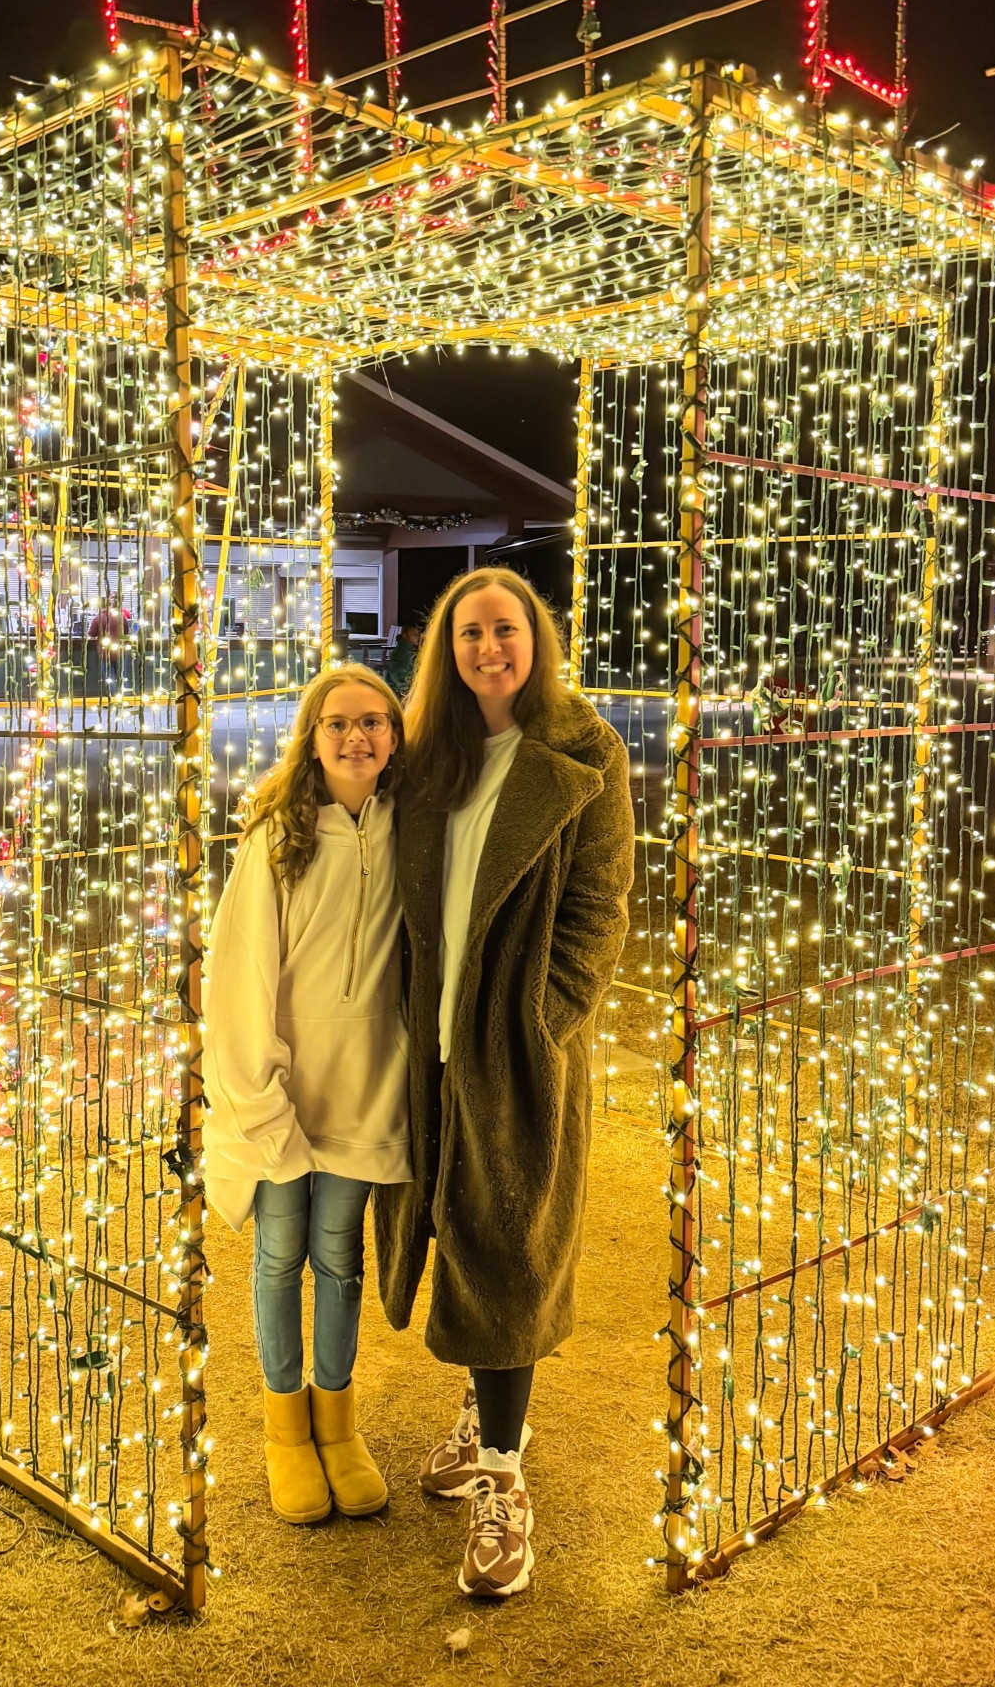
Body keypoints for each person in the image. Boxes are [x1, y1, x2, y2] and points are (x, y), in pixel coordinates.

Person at [374, 567, 634, 1599]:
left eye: (507, 629)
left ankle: (503, 1480)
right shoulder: (427, 754)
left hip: (517, 1047)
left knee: (511, 1246)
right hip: (422, 1038)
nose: (490, 647)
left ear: (537, 640)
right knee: (445, 1226)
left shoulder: (583, 751)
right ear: (448, 647)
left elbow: (599, 908)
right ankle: (484, 1412)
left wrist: (543, 1020)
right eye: (471, 631)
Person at [205, 662, 410, 1526]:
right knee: (279, 1256)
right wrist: (257, 1093)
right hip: (282, 1090)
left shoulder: (414, 828)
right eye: (338, 724)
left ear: (395, 735)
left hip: (367, 1089)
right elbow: (241, 978)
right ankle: (285, 1430)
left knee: (341, 1261)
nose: (356, 737)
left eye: (373, 722)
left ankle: (337, 1423)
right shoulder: (277, 838)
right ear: (312, 737)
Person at [383, 623, 422, 700]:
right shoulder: (404, 651)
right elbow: (399, 673)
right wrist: (406, 690)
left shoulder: (410, 649)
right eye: (414, 635)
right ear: (405, 635)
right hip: (401, 692)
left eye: (418, 634)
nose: (417, 637)